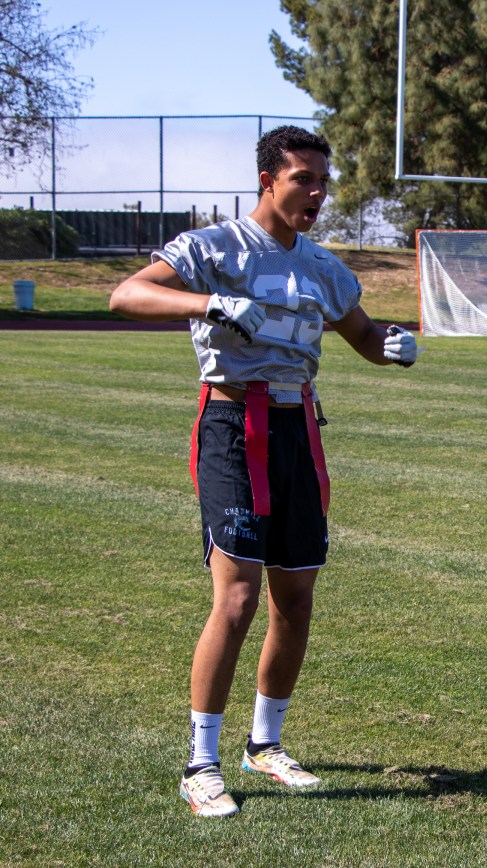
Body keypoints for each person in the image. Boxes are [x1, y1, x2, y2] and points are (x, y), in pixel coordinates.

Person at [109, 125, 420, 818]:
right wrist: (210, 302)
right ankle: (200, 762)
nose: (316, 194)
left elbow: (362, 335)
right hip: (232, 426)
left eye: (322, 182)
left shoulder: (324, 267)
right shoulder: (214, 247)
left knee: (296, 597)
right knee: (237, 597)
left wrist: (393, 346)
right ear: (266, 182)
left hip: (299, 430)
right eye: (302, 180)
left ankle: (265, 744)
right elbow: (126, 295)